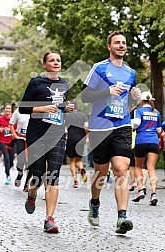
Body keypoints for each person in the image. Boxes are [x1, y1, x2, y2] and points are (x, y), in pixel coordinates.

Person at [81, 30, 141, 234]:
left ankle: (122, 217)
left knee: (121, 169)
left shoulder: (130, 72)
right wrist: (107, 91)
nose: (121, 45)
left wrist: (134, 97)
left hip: (122, 125)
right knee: (100, 171)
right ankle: (95, 203)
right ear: (109, 46)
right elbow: (85, 96)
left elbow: (128, 102)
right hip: (100, 126)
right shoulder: (99, 68)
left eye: (124, 43)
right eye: (117, 43)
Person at [19, 51, 74, 233]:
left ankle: (49, 219)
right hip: (37, 134)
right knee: (38, 173)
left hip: (57, 134)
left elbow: (62, 107)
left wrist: (69, 108)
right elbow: (23, 107)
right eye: (52, 60)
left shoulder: (64, 84)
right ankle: (32, 194)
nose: (56, 62)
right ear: (45, 64)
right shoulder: (36, 83)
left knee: (54, 174)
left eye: (58, 60)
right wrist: (42, 108)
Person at [132, 91, 161, 206]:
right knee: (151, 168)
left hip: (141, 140)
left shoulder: (138, 111)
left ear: (142, 101)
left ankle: (141, 189)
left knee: (138, 166)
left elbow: (137, 123)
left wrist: (133, 128)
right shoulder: (156, 112)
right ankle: (154, 193)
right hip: (153, 141)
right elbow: (159, 130)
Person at [65, 100, 88, 188]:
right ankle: (82, 169)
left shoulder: (67, 116)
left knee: (72, 161)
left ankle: (75, 180)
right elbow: (86, 126)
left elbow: (65, 129)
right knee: (79, 160)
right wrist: (86, 137)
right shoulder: (83, 115)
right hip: (81, 140)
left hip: (71, 140)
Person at [9, 107, 32, 191]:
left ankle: (26, 184)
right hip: (20, 138)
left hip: (32, 139)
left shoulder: (36, 110)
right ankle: (19, 175)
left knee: (31, 163)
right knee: (21, 159)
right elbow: (11, 123)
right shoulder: (19, 111)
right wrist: (14, 133)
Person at [0, 103, 15, 185]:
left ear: (11, 110)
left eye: (9, 108)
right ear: (4, 109)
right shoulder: (0, 119)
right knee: (7, 158)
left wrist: (11, 130)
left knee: (11, 160)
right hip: (2, 141)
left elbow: (17, 129)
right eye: (6, 108)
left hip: (12, 142)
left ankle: (9, 168)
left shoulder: (14, 118)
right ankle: (8, 176)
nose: (8, 110)